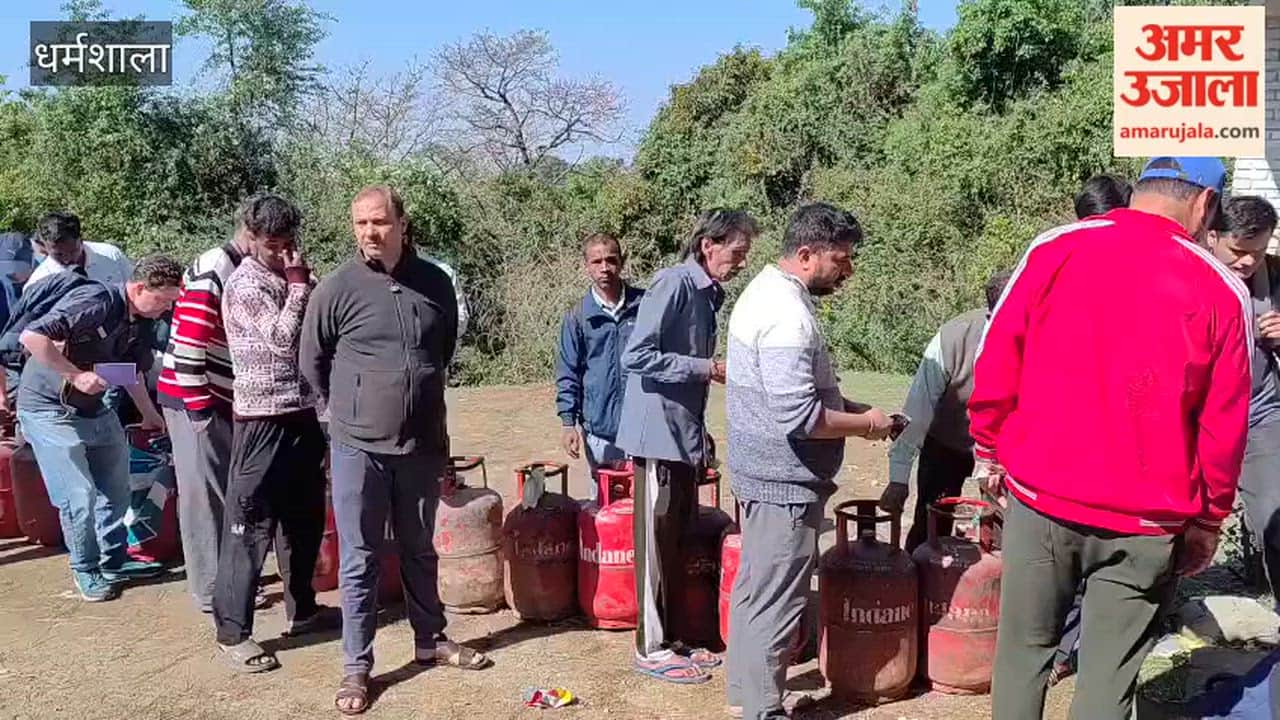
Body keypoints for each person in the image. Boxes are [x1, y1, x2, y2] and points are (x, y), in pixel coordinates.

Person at [974, 156, 1251, 720]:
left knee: (1023, 655)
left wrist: (988, 450)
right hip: (1147, 524)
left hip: (1041, 499)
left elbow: (998, 356)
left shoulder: (1056, 248)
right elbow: (1225, 425)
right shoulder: (1223, 290)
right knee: (1108, 679)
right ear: (1204, 205)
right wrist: (1207, 520)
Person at [301, 185, 487, 716]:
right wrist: (352, 413)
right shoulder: (335, 289)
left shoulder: (434, 283)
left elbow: (441, 350)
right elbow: (312, 364)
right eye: (360, 224)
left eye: (379, 222)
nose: (369, 233)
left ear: (402, 224)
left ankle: (431, 641)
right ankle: (357, 666)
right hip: (359, 447)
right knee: (359, 559)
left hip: (423, 444)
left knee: (420, 548)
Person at [724, 202, 894, 719]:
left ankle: (748, 694)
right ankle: (762, 709)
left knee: (758, 589)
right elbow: (802, 417)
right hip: (783, 479)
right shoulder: (787, 315)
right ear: (805, 254)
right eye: (840, 259)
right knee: (778, 598)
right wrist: (868, 425)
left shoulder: (766, 293)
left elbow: (799, 398)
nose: (848, 270)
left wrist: (854, 408)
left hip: (763, 472)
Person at [615, 208, 757, 684]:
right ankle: (650, 648)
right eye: (736, 253)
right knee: (654, 547)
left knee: (673, 545)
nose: (740, 263)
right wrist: (706, 368)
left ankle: (672, 640)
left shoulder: (707, 295)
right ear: (708, 246)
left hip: (680, 437)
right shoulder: (674, 284)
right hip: (655, 439)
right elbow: (636, 355)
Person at [212, 194, 333, 672]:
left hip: (302, 413)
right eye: (270, 245)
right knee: (248, 525)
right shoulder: (245, 284)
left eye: (287, 244)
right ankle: (232, 632)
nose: (281, 254)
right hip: (262, 418)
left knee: (303, 520)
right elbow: (283, 344)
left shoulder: (291, 274)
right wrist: (300, 286)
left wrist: (305, 283)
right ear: (250, 236)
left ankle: (302, 609)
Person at [15, 255, 181, 601]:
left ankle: (113, 560)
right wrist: (74, 374)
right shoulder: (96, 301)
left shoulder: (143, 321)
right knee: (78, 495)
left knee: (117, 487)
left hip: (94, 408)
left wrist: (150, 414)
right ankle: (86, 569)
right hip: (48, 407)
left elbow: (129, 371)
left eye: (172, 301)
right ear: (137, 288)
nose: (166, 309)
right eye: (162, 299)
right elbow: (33, 338)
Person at [1045, 173, 1135, 686]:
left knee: (1098, 555)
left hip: (1112, 439)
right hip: (1067, 437)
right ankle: (1062, 649)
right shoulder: (1059, 264)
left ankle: (1077, 648)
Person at [156, 202, 250, 615]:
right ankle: (210, 590)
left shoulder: (239, 266)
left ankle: (224, 577)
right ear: (249, 231)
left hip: (219, 394)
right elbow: (191, 340)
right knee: (202, 495)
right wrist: (200, 411)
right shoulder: (217, 266)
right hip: (194, 395)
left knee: (222, 489)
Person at [878, 269, 1012, 552]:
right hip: (945, 443)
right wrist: (898, 480)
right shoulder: (952, 338)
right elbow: (917, 411)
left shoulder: (1042, 338)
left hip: (1002, 454)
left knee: (1001, 536)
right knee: (930, 531)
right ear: (991, 316)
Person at [1204, 195, 1280, 594]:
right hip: (1195, 420)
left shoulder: (1274, 278)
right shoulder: (1188, 277)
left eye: (1259, 252)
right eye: (1239, 251)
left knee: (1277, 516)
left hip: (1259, 413)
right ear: (1212, 237)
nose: (1248, 262)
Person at [556, 232, 644, 492]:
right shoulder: (577, 317)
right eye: (597, 262)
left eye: (611, 260)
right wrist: (568, 423)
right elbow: (568, 373)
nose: (604, 268)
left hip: (643, 428)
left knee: (645, 509)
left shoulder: (645, 306)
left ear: (622, 262)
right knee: (605, 508)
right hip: (600, 431)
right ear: (586, 266)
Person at [26, 212, 132, 289]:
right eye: (58, 255)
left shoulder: (111, 255)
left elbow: (135, 291)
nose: (67, 260)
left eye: (73, 252)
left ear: (81, 239)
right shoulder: (38, 283)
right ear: (45, 247)